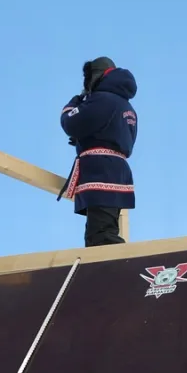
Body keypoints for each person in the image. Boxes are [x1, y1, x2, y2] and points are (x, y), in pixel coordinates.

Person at [60, 56, 137, 247]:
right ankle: (114, 269)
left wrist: (76, 102)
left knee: (101, 236)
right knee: (105, 227)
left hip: (101, 170)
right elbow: (112, 135)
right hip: (116, 170)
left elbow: (71, 122)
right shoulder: (126, 106)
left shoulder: (102, 100)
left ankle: (115, 270)